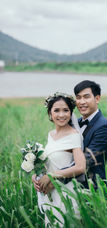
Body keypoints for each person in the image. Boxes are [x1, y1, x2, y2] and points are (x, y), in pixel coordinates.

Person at [33, 92, 86, 227]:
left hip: (65, 193)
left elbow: (80, 167)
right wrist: (37, 176)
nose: (61, 115)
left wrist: (51, 175)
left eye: (65, 110)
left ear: (71, 112)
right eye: (56, 110)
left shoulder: (73, 135)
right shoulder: (51, 134)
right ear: (50, 114)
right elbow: (50, 161)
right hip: (49, 192)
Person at [74, 80, 107, 189]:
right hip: (71, 188)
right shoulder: (74, 123)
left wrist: (54, 175)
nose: (82, 102)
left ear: (97, 99)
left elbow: (86, 161)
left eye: (86, 97)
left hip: (91, 190)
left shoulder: (104, 127)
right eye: (78, 97)